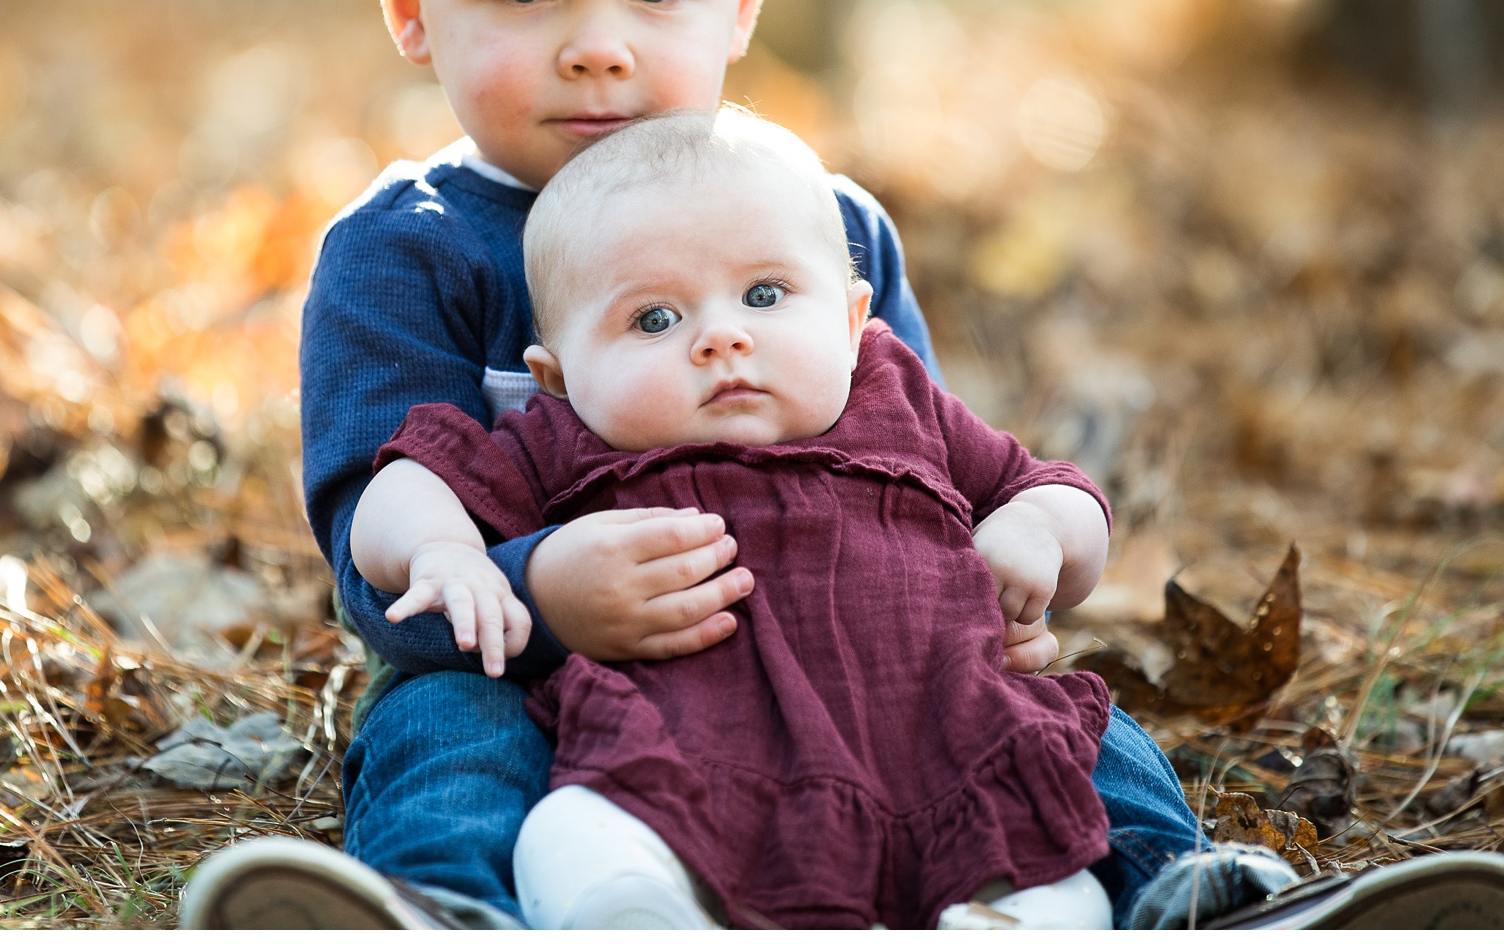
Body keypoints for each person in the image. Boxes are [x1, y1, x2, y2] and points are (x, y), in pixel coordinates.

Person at [180, 0, 1504, 932]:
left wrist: (1007, 558)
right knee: (444, 718)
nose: (597, 41)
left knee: (1044, 714)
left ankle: (1181, 892)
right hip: (547, 666)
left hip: (846, 652)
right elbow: (377, 539)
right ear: (412, 4)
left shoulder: (822, 224)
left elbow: (912, 466)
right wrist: (532, 585)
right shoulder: (407, 249)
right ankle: (446, 905)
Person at [353, 108, 1121, 929]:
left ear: (854, 319)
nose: (722, 337)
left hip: (946, 754)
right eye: (654, 318)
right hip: (677, 774)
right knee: (572, 836)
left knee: (1060, 866)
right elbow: (406, 482)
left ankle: (1166, 897)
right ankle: (641, 917)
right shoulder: (566, 439)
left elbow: (1060, 492)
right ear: (558, 375)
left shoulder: (898, 398)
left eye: (764, 294)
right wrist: (442, 546)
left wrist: (1036, 528)